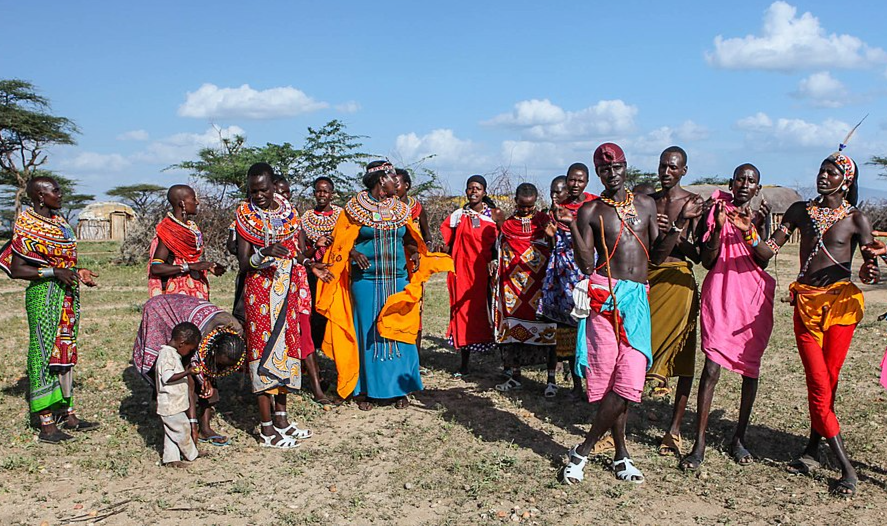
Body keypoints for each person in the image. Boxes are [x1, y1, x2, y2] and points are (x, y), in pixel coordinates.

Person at [728, 147, 879, 497]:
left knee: (828, 382)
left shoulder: (856, 219)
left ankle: (813, 449)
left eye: (831, 172)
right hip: (806, 307)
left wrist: (870, 268)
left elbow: (868, 267)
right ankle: (847, 468)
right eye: (822, 170)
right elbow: (766, 252)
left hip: (840, 307)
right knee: (818, 384)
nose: (823, 176)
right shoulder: (799, 211)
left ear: (846, 181)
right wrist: (750, 233)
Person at [559, 142, 691, 485]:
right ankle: (621, 455)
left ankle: (582, 451)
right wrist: (572, 227)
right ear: (598, 173)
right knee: (609, 381)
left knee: (631, 378)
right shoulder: (591, 211)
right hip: (605, 298)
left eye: (616, 167)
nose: (612, 173)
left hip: (637, 299)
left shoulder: (646, 204)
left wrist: (678, 227)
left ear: (625, 166)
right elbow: (586, 264)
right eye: (605, 169)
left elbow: (658, 256)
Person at [316, 160, 452, 410]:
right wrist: (353, 253)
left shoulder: (400, 209)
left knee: (399, 330)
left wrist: (415, 252)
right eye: (392, 177)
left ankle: (400, 389)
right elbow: (340, 242)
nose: (396, 182)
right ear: (381, 180)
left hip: (397, 278)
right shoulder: (354, 208)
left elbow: (410, 239)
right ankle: (367, 391)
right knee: (368, 333)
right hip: (366, 281)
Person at [679, 164, 776, 470]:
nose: (745, 183)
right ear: (732, 183)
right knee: (711, 368)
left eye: (751, 180)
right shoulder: (715, 211)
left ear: (757, 188)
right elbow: (707, 261)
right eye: (740, 179)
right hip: (721, 291)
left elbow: (764, 259)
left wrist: (750, 229)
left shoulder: (760, 215)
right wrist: (720, 228)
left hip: (752, 297)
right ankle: (699, 444)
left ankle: (739, 438)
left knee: (750, 370)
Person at [236, 162, 330, 448]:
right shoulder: (245, 216)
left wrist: (310, 264)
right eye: (254, 191)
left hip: (286, 291)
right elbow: (243, 263)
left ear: (272, 186)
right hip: (260, 294)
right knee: (263, 354)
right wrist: (263, 252)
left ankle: (282, 420)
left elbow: (294, 251)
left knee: (287, 352)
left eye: (263, 190)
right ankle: (267, 430)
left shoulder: (287, 212)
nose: (259, 196)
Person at [0, 176, 100, 443]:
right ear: (40, 196)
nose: (60, 194)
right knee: (43, 353)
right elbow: (17, 269)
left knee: (64, 350)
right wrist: (53, 272)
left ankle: (67, 413)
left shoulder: (60, 223)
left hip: (66, 297)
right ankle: (46, 424)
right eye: (55, 191)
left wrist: (78, 272)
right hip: (43, 296)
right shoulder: (27, 224)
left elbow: (64, 263)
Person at [646, 146, 705, 458]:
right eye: (662, 166)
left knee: (682, 357)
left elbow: (700, 256)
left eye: (673, 167)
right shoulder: (648, 201)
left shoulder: (694, 203)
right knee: (636, 349)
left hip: (678, 281)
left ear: (684, 171)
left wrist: (677, 233)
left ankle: (675, 428)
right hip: (647, 278)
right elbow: (646, 247)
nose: (666, 172)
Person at [133, 293, 246, 446]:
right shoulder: (198, 339)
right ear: (212, 350)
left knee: (207, 379)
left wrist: (208, 378)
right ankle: (178, 421)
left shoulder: (235, 334)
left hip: (194, 327)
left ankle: (204, 429)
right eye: (219, 364)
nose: (221, 369)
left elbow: (211, 369)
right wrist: (192, 425)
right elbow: (190, 380)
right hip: (160, 312)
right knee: (175, 373)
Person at [537, 165, 598, 398]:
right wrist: (551, 237)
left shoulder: (594, 205)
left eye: (580, 180)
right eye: (572, 180)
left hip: (587, 271)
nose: (575, 185)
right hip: (563, 273)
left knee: (591, 328)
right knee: (567, 330)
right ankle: (576, 385)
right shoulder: (558, 210)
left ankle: (594, 383)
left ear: (587, 181)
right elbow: (555, 242)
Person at [493, 183, 556, 392]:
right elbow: (501, 251)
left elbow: (555, 248)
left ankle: (551, 380)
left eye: (530, 206)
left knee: (547, 329)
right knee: (513, 329)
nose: (526, 210)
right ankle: (515, 376)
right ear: (516, 202)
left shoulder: (544, 221)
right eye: (522, 206)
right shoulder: (508, 224)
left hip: (540, 285)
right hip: (513, 287)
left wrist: (552, 236)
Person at [441, 175, 503, 377]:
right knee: (463, 311)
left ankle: (504, 363)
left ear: (484, 192)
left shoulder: (494, 214)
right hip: (463, 272)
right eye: (470, 188)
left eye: (478, 188)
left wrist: (494, 260)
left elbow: (503, 240)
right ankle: (464, 363)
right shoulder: (459, 215)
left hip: (486, 272)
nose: (474, 191)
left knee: (491, 310)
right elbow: (447, 239)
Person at [299, 176, 344, 407]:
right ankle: (315, 372)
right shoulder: (306, 218)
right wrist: (316, 245)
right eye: (318, 191)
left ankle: (341, 372)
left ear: (332, 193)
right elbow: (301, 252)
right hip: (313, 276)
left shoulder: (341, 216)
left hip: (337, 275)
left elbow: (348, 242)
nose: (322, 195)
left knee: (335, 321)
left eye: (326, 191)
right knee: (314, 322)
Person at [149, 185, 225, 300]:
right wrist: (190, 267)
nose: (197, 202)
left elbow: (191, 259)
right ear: (182, 204)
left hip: (196, 290)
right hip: (177, 295)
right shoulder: (169, 231)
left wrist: (208, 266)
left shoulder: (191, 228)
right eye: (193, 199)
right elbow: (156, 268)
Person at [395, 168, 431, 362]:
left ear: (407, 185)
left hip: (414, 265)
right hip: (394, 263)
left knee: (415, 308)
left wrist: (424, 253)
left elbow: (427, 236)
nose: (394, 187)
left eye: (397, 183)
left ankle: (414, 358)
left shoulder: (417, 208)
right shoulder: (387, 209)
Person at [154, 322, 202, 467]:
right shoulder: (167, 356)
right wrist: (188, 372)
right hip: (170, 404)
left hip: (174, 403)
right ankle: (192, 454)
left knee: (172, 433)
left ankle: (171, 459)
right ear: (182, 344)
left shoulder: (172, 354)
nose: (190, 352)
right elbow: (167, 377)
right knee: (182, 429)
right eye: (190, 349)